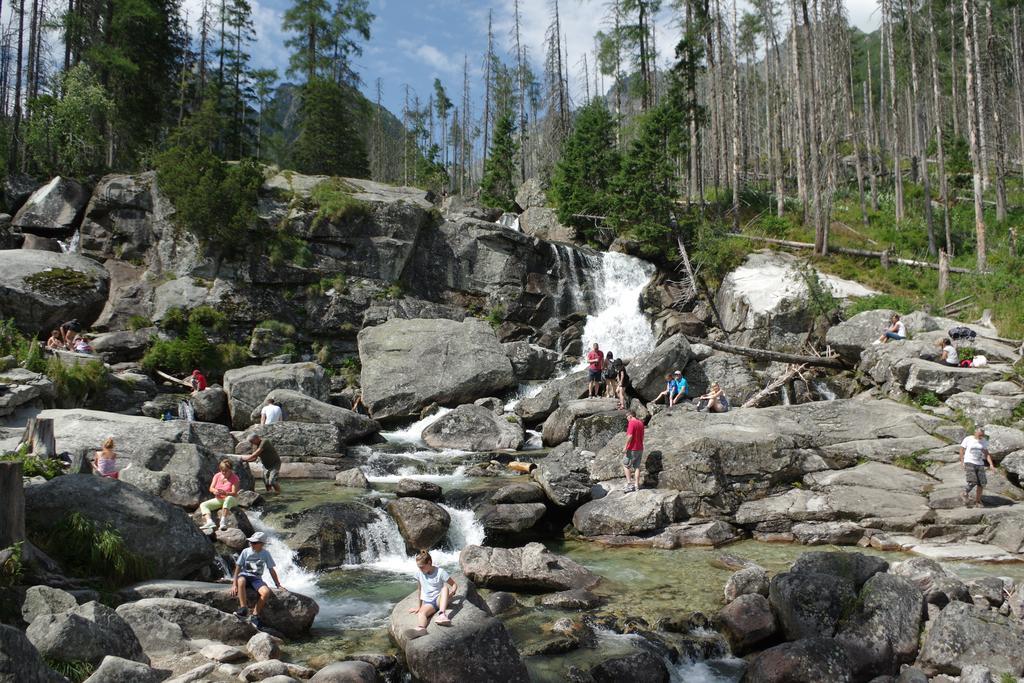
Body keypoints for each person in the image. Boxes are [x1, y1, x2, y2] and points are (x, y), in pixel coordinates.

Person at [231, 532, 285, 630]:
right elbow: (238, 568)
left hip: (256, 578)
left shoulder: (265, 554)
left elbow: (271, 570)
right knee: (241, 581)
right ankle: (243, 609)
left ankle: (255, 615)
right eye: (251, 542)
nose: (252, 544)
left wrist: (278, 584)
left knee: (266, 592)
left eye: (255, 543)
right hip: (244, 575)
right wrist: (234, 584)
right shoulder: (245, 551)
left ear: (262, 544)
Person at [404, 550, 457, 639]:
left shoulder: (440, 572)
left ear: (429, 563)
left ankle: (442, 615)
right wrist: (419, 606)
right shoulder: (419, 573)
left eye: (422, 567)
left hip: (439, 599)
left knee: (445, 588)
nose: (420, 569)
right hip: (429, 602)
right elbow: (420, 590)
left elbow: (454, 584)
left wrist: (452, 592)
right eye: (418, 567)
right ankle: (421, 629)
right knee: (421, 613)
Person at [199, 459, 240, 531]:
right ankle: (209, 522)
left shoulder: (235, 478)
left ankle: (223, 521)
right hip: (219, 499)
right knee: (203, 504)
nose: (223, 472)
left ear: (230, 469)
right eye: (222, 470)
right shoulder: (217, 475)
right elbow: (211, 488)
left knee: (228, 498)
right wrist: (215, 491)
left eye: (226, 471)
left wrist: (226, 493)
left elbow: (234, 493)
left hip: (232, 499)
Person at [960, 427, 995, 507]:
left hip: (980, 463)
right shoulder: (968, 439)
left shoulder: (984, 441)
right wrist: (962, 462)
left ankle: (978, 501)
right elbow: (961, 450)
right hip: (969, 461)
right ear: (975, 433)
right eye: (979, 435)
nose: (981, 437)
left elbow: (986, 453)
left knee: (982, 483)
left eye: (982, 435)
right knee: (972, 481)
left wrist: (991, 464)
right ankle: (964, 493)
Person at [621, 408, 645, 493]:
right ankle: (636, 486)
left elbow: (630, 436)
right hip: (640, 448)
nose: (627, 419)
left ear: (630, 416)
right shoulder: (641, 423)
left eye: (627, 417)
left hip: (632, 448)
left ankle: (629, 484)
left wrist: (625, 447)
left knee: (625, 465)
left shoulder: (632, 423)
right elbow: (642, 436)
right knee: (637, 467)